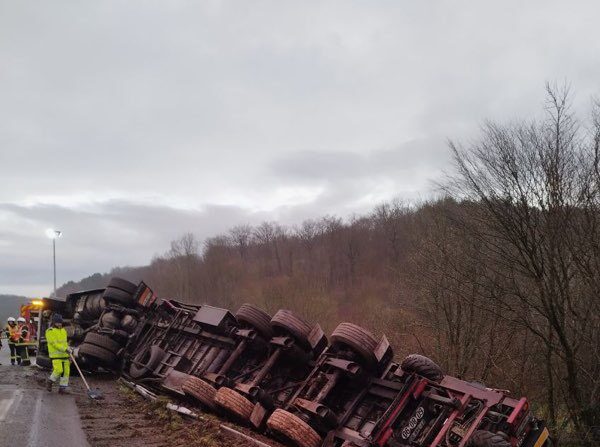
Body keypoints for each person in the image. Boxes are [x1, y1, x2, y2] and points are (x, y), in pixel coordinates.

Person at [45, 313, 71, 394]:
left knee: (65, 372)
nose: (59, 324)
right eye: (57, 322)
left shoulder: (63, 331)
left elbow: (65, 343)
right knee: (58, 370)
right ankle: (50, 381)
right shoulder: (50, 331)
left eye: (60, 322)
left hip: (65, 355)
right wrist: (64, 349)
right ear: (54, 322)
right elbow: (54, 344)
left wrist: (69, 351)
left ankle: (62, 388)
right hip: (56, 355)